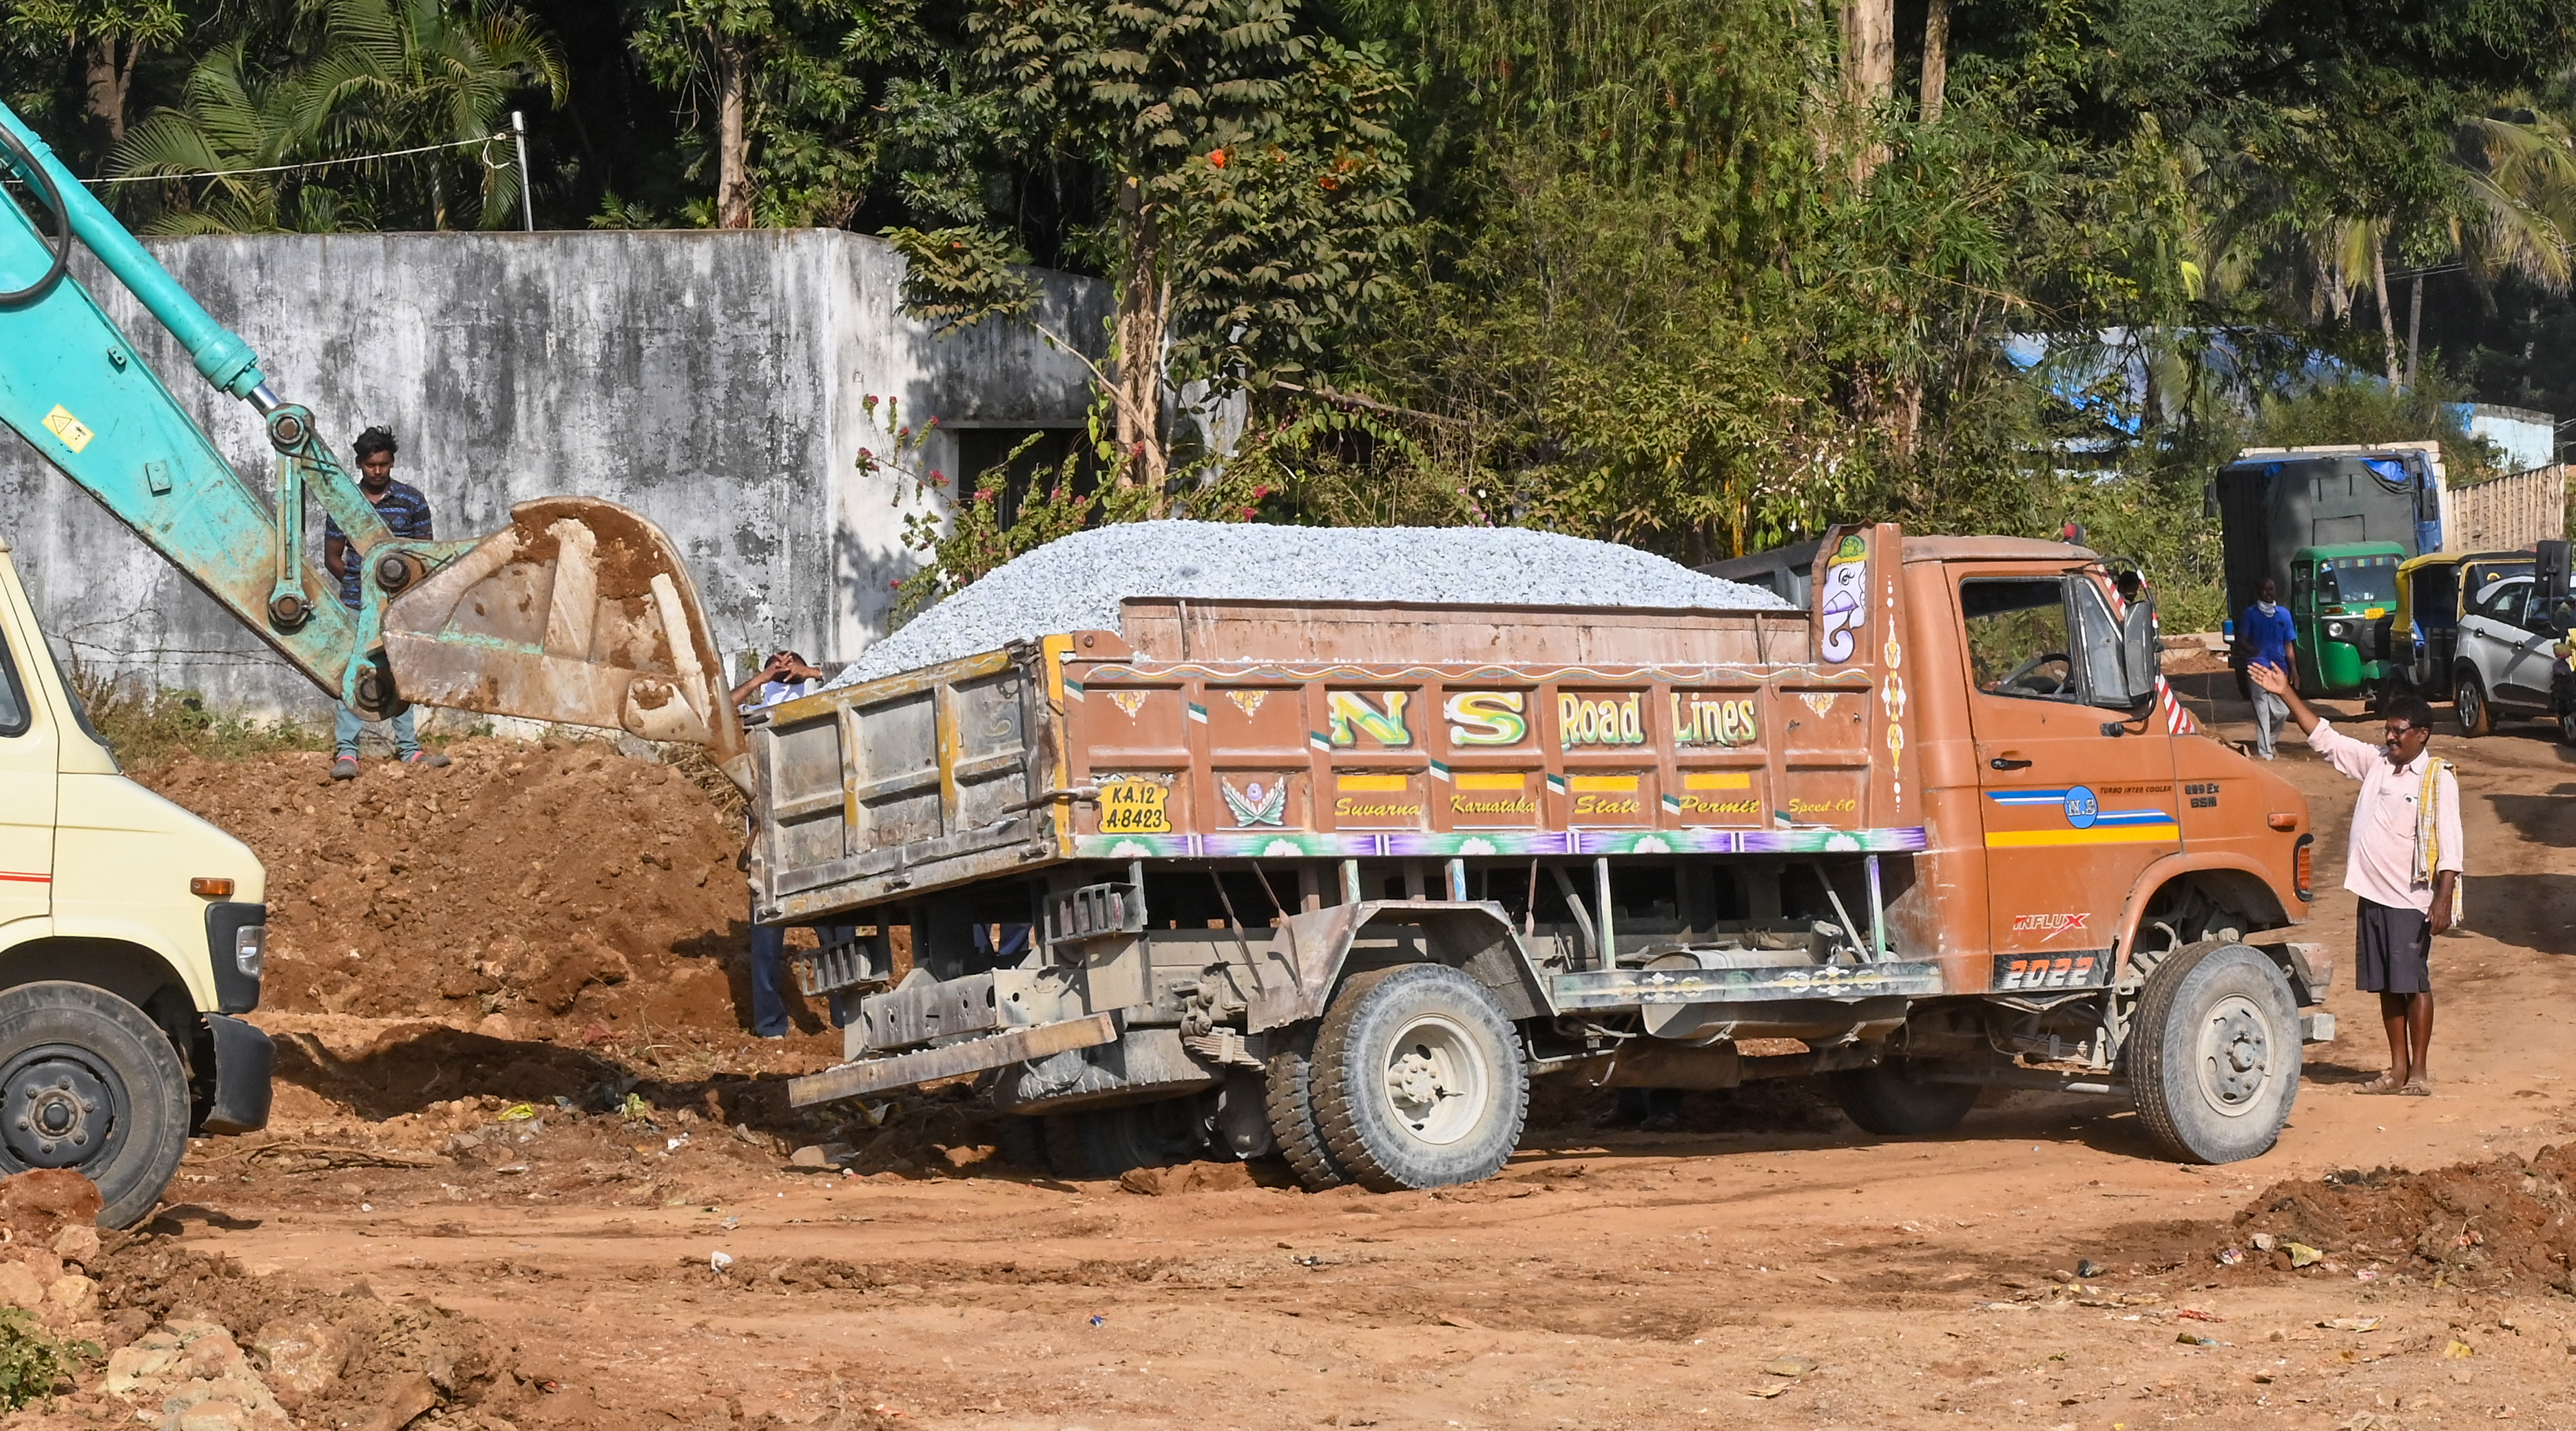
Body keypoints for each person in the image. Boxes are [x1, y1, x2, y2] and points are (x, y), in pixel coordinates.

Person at [2247, 662, 2461, 1096]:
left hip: (2411, 899)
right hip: (2372, 895)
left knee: (2413, 982)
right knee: (2386, 985)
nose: (2390, 737)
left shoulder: (2437, 780)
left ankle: (2418, 1072)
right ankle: (2396, 1070)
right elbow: (2326, 740)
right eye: (2387, 729)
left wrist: (2442, 899)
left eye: (2400, 731)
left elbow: (2451, 845)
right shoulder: (2377, 764)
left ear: (2422, 734)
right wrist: (2286, 692)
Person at [324, 426, 449, 780]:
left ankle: (409, 750)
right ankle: (347, 754)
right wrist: (360, 591)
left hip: (401, 606)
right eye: (370, 465)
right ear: (360, 464)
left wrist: (403, 597)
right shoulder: (345, 505)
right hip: (355, 604)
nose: (377, 472)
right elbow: (334, 557)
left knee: (399, 671)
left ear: (392, 463)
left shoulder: (411, 501)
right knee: (354, 672)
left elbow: (425, 554)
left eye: (384, 465)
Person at [734, 651, 841, 1036]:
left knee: (837, 929)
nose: (785, 674)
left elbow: (864, 672)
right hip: (770, 842)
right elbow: (717, 710)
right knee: (766, 940)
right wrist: (762, 679)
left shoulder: (822, 706)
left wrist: (811, 672)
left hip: (822, 835)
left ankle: (846, 1016)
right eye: (779, 668)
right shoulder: (752, 721)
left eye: (790, 668)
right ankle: (769, 1024)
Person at [2236, 578, 2297, 759]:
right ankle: (2266, 753)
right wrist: (2251, 650)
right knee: (2262, 710)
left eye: (2271, 589)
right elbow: (2241, 640)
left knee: (2283, 711)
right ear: (2259, 592)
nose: (2269, 593)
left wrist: (2293, 669)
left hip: (2279, 670)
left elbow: (2289, 644)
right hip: (2257, 668)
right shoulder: (2251, 614)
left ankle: (2269, 742)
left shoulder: (2284, 615)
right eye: (2265, 590)